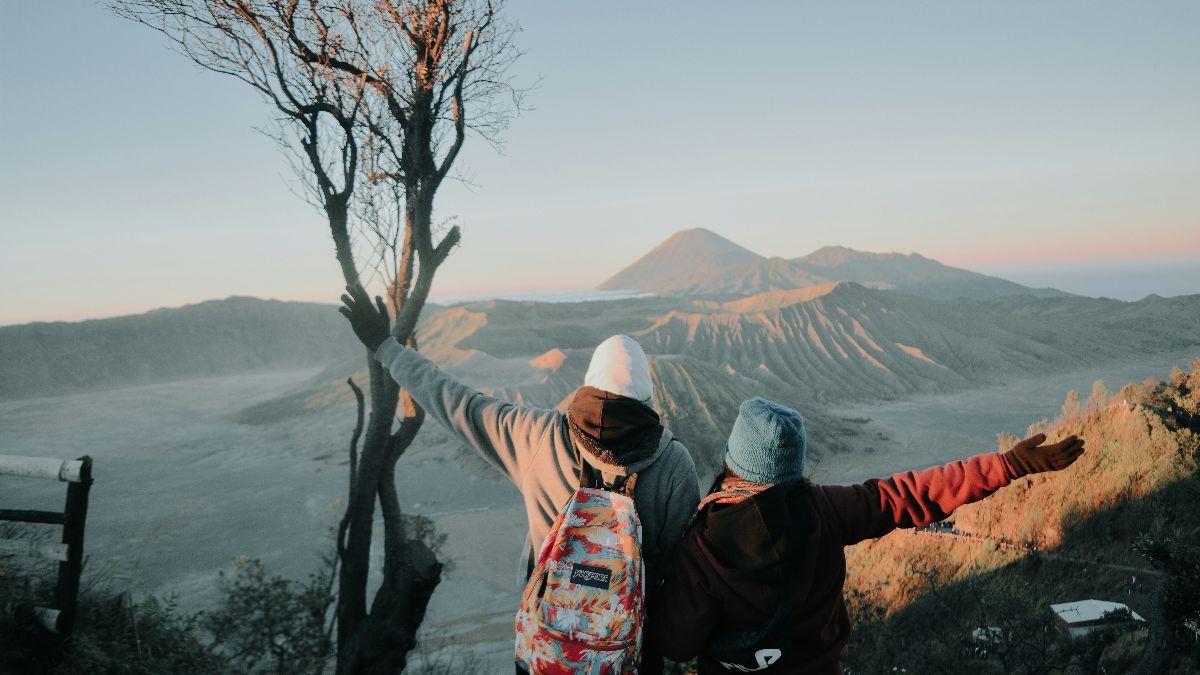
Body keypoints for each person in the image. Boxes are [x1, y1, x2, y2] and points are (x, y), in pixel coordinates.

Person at [339, 284, 701, 674]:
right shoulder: (673, 463)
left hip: (546, 646)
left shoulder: (536, 436)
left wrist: (384, 345)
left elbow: (453, 400)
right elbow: (679, 572)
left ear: (588, 384)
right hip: (626, 652)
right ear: (646, 399)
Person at [655, 397, 1086, 674]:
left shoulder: (702, 544)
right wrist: (1009, 464)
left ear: (733, 461)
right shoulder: (825, 508)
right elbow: (914, 493)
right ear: (792, 468)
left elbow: (678, 643)